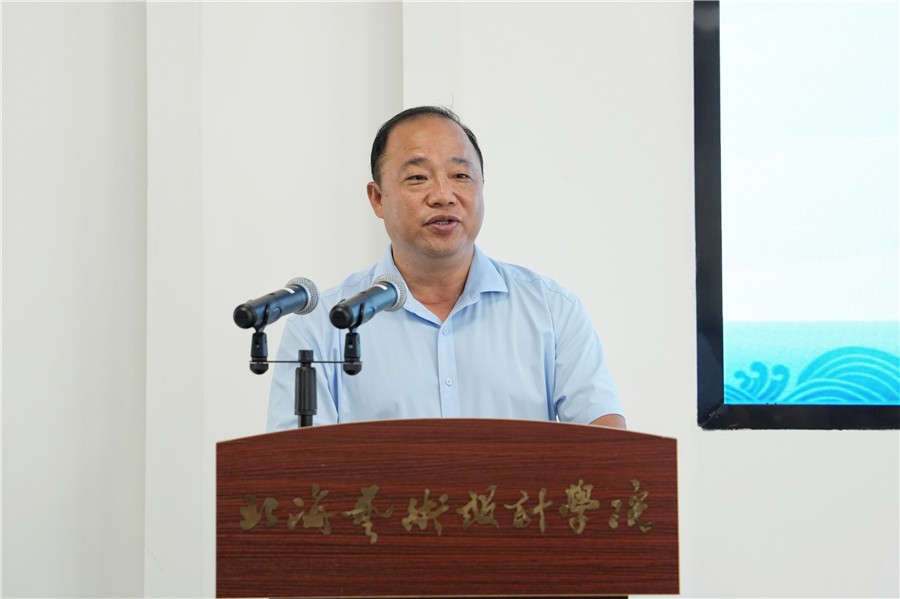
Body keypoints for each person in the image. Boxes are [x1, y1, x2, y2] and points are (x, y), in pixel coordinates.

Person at [267, 106, 625, 431]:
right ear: (377, 199)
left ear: (481, 187)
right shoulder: (320, 327)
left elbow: (608, 450)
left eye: (460, 176)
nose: (443, 195)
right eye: (418, 178)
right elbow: (294, 469)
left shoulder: (551, 310)